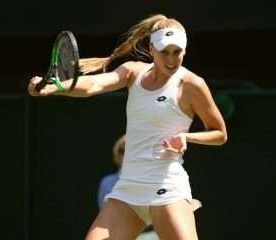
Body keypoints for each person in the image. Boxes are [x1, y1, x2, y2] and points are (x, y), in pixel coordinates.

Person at [28, 13, 227, 240]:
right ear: (151, 49)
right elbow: (93, 84)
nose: (171, 59)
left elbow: (220, 133)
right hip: (129, 190)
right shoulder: (133, 71)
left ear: (184, 50)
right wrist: (55, 88)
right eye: (164, 51)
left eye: (177, 52)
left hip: (167, 188)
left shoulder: (192, 84)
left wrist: (186, 138)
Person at [97, 134, 159, 240]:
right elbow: (105, 213)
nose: (127, 155)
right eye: (123, 150)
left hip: (151, 235)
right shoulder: (107, 182)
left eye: (132, 150)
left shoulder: (152, 179)